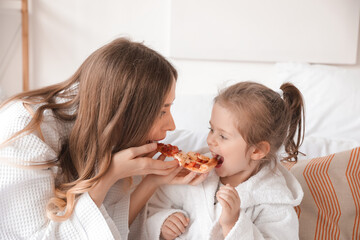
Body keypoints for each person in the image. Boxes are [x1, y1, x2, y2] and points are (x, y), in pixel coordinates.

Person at [0, 38, 207, 239]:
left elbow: (109, 229)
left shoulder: (111, 135)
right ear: (124, 111)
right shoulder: (26, 131)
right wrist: (108, 175)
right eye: (162, 111)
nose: (171, 126)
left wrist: (151, 183)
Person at [146, 81, 305, 240]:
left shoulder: (273, 200)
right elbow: (152, 206)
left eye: (223, 136)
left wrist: (233, 224)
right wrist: (163, 221)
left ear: (257, 150)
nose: (210, 140)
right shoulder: (193, 172)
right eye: (211, 130)